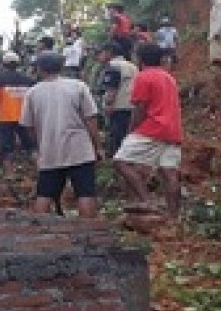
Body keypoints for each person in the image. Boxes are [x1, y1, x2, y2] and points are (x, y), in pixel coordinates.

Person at [20, 52, 104, 218]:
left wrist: (40, 144)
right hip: (79, 149)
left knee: (44, 194)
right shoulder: (78, 87)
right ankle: (89, 234)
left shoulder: (32, 93)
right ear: (62, 67)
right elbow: (91, 119)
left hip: (50, 151)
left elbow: (28, 126)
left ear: (40, 69)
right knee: (85, 193)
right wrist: (97, 146)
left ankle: (40, 234)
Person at [113, 43, 183, 218]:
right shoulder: (169, 78)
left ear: (139, 59)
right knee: (169, 172)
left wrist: (131, 130)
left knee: (120, 161)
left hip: (152, 128)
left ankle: (146, 200)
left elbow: (140, 109)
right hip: (173, 130)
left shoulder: (143, 77)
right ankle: (173, 216)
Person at [0, 51, 36, 178]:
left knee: (7, 146)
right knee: (30, 145)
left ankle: (9, 174)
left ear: (4, 64)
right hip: (25, 117)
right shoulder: (29, 80)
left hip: (5, 118)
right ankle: (40, 170)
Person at [98, 42, 137, 157]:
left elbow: (112, 87)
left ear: (109, 52)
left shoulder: (113, 66)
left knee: (117, 137)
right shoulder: (132, 66)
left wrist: (109, 104)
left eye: (102, 53)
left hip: (118, 107)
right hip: (132, 107)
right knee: (128, 136)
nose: (100, 56)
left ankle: (118, 164)